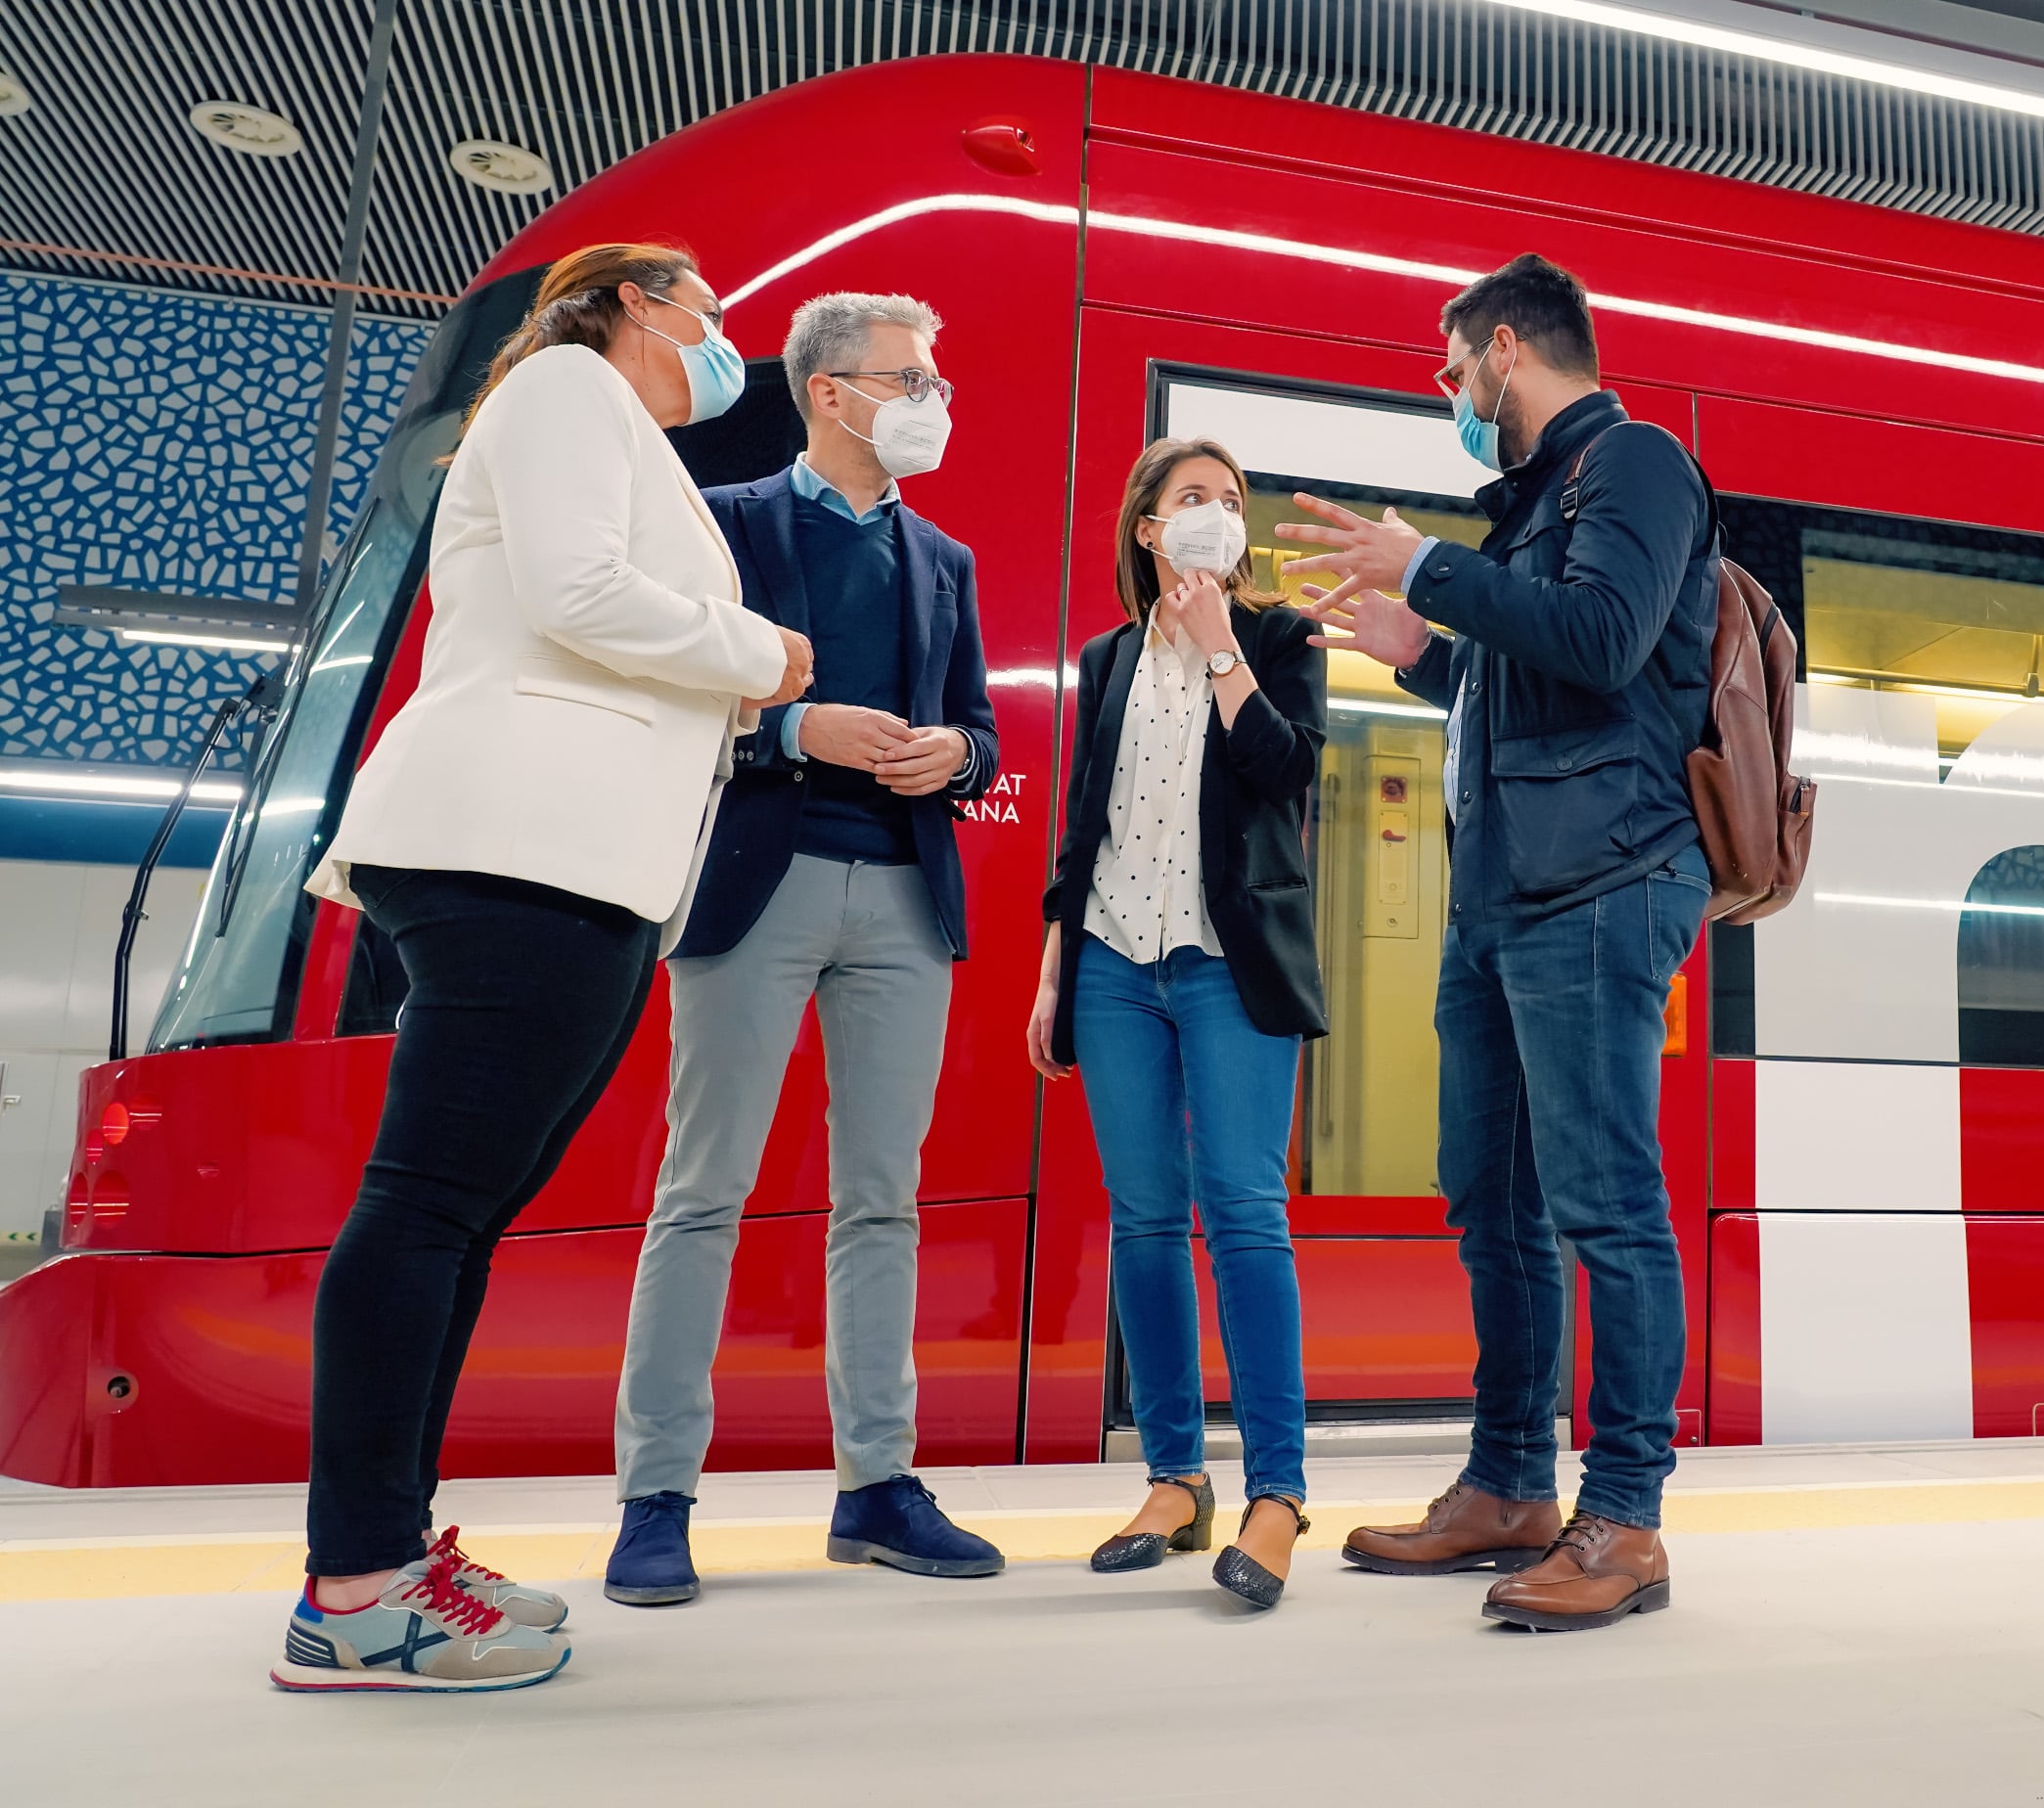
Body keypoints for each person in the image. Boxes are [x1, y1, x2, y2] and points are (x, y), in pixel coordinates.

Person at [284, 244, 811, 1691]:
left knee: (456, 1217)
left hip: (574, 860)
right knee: (427, 1209)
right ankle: (354, 1593)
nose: (720, 343)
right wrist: (761, 651)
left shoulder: (595, 418)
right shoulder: (571, 382)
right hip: (521, 847)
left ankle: (390, 1554)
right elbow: (581, 594)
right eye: (708, 314)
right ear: (638, 302)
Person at [1282, 253, 1717, 1632]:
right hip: (1505, 899)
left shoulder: (1635, 464)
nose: (1447, 387)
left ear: (1508, 348)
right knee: (1493, 1198)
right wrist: (1422, 644)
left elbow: (1600, 639)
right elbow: (1522, 677)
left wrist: (1431, 565)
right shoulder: (1533, 507)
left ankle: (1627, 1518)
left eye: (1449, 360)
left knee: (1604, 1203)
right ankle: (1513, 1485)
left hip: (1601, 882)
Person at [603, 293, 1005, 1605]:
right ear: (833, 393)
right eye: (912, 381)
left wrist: (958, 756)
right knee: (701, 1191)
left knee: (882, 1201)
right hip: (752, 886)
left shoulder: (945, 560)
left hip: (903, 894)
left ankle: (876, 1487)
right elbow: (670, 702)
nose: (933, 403)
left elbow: (982, 734)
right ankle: (654, 1499)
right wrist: (791, 733)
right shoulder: (721, 527)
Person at [1027, 436, 1328, 1611]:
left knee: (1246, 1215)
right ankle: (1172, 1478)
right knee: (1144, 1221)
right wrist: (1055, 973)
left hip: (1227, 963)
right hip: (1111, 963)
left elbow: (1288, 772)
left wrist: (1220, 653)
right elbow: (1079, 829)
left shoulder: (1280, 636)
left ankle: (1279, 1492)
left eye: (1230, 501)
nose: (1213, 514)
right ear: (1146, 528)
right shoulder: (1105, 658)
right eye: (1189, 498)